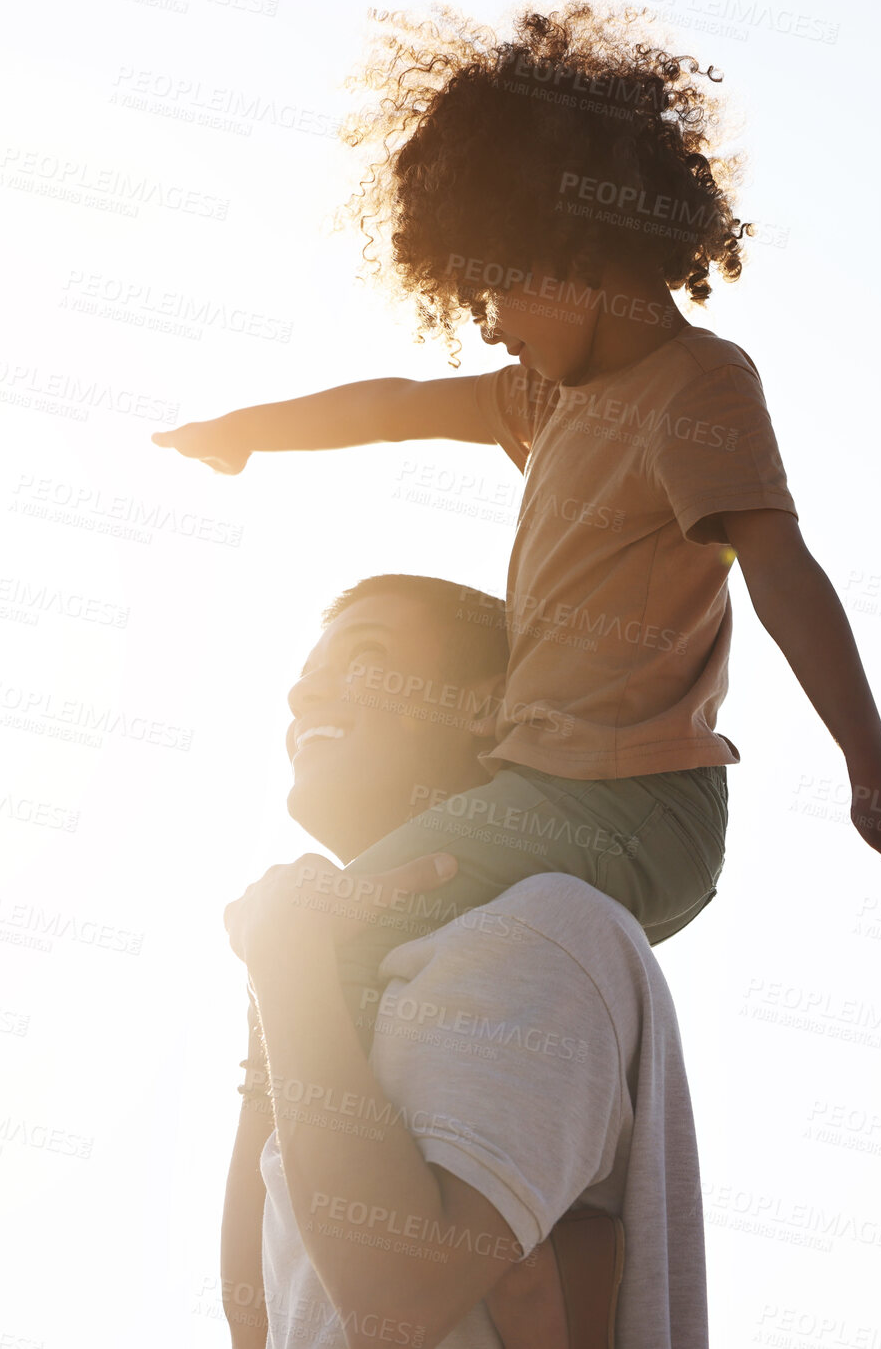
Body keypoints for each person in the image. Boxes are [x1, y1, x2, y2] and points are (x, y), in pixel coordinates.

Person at [160, 0, 881, 1214]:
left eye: (492, 292)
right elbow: (393, 402)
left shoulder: (695, 388)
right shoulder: (546, 400)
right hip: (540, 792)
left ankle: (429, 1247)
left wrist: (870, 773)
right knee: (351, 930)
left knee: (314, 931)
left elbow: (783, 574)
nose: (487, 325)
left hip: (630, 806)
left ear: (569, 243)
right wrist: (250, 433)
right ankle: (356, 1233)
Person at [221, 574, 709, 1347]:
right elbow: (262, 1322)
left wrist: (286, 968)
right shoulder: (328, 991)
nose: (304, 697)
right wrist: (276, 991)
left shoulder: (543, 930)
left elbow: (397, 1303)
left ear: (484, 708)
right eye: (305, 680)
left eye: (364, 658)